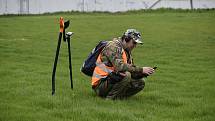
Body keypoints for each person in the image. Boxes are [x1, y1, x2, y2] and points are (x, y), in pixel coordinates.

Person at [91, 29, 155, 100]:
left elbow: (130, 70)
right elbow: (120, 67)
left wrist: (142, 73)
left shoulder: (126, 51)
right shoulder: (113, 47)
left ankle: (119, 98)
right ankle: (110, 99)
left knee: (140, 83)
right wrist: (141, 69)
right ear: (126, 39)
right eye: (134, 43)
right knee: (126, 75)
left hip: (111, 80)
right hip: (100, 85)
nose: (135, 46)